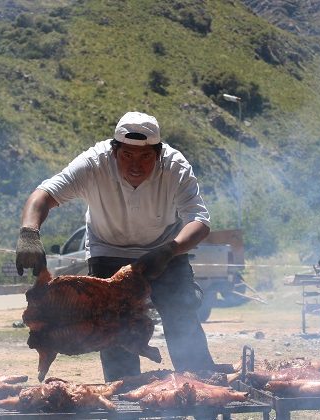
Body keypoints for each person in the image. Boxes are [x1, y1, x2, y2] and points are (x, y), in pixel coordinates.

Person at [15, 111, 216, 382]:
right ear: (114, 151)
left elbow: (199, 220)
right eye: (127, 155)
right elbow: (43, 195)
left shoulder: (175, 166)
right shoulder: (93, 164)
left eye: (145, 156)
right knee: (111, 328)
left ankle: (202, 389)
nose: (136, 164)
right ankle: (123, 398)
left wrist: (171, 249)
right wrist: (29, 233)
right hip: (108, 250)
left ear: (158, 153)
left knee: (181, 315)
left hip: (164, 252)